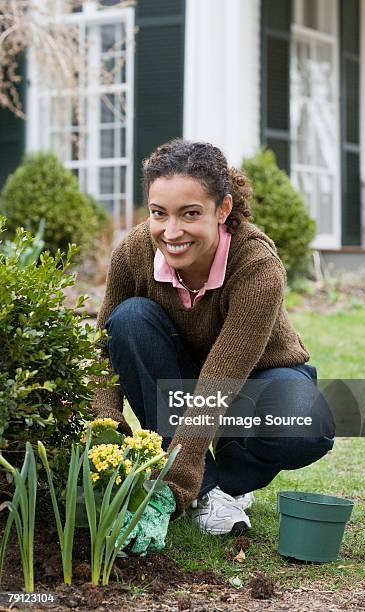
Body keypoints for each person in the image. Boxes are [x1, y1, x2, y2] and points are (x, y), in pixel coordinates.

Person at [91, 138, 335, 548]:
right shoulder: (134, 253)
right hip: (174, 379)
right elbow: (103, 350)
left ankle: (225, 486)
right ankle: (206, 487)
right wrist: (104, 432)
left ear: (222, 209)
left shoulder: (256, 264)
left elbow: (221, 378)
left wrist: (181, 479)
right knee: (129, 318)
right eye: (158, 213)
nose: (171, 232)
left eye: (190, 214)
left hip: (256, 380)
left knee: (305, 426)